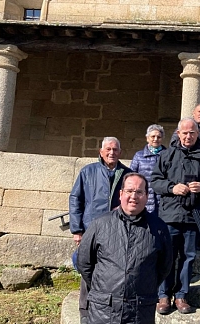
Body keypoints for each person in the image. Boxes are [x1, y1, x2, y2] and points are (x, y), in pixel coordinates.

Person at [76, 173, 173, 324]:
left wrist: (142, 284)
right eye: (129, 191)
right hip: (104, 310)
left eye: (139, 192)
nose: (134, 196)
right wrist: (103, 288)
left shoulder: (159, 228)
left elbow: (164, 266)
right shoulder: (100, 224)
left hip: (139, 312)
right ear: (121, 194)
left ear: (147, 196)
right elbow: (84, 262)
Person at [150, 118, 200, 315]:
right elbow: (155, 181)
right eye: (185, 133)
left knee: (188, 257)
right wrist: (172, 187)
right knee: (167, 255)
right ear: (178, 134)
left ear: (197, 134)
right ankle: (163, 296)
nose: (188, 136)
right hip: (170, 213)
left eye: (192, 133)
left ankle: (181, 295)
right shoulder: (167, 154)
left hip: (193, 213)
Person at [69, 136, 133, 324]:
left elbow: (131, 201)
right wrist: (77, 229)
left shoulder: (127, 174)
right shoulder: (88, 172)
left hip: (116, 232)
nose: (112, 152)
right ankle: (85, 314)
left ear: (120, 152)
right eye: (108, 149)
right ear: (101, 151)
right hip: (91, 229)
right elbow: (76, 199)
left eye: (115, 149)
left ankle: (107, 312)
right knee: (88, 269)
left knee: (111, 272)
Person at [130, 124, 166, 215]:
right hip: (144, 199)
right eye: (153, 136)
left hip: (163, 201)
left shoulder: (168, 155)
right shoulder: (139, 156)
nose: (155, 139)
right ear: (147, 138)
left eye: (158, 137)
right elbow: (131, 177)